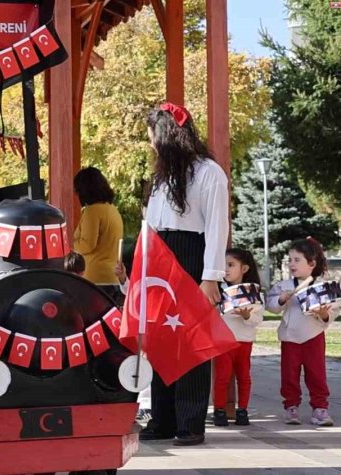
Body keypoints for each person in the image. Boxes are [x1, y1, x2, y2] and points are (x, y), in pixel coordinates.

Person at [139, 103, 229, 447]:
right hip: (160, 259)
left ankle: (190, 423)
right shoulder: (163, 177)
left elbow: (217, 226)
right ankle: (163, 418)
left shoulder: (209, 173)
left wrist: (211, 276)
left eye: (152, 136)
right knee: (162, 341)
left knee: (190, 343)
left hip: (192, 257)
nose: (150, 144)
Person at [266, 238, 338, 427]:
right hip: (290, 338)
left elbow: (332, 311)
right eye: (290, 260)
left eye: (297, 260)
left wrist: (323, 314)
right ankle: (291, 407)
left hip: (313, 338)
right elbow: (272, 307)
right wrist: (281, 300)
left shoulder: (324, 288)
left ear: (312, 264)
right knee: (289, 375)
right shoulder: (284, 286)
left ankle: (320, 408)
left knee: (317, 374)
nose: (291, 264)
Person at [212, 248, 264, 427]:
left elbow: (258, 318)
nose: (226, 269)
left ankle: (242, 410)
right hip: (223, 342)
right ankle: (219, 410)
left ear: (244, 268)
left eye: (231, 265)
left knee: (244, 377)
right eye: (223, 265)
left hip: (244, 341)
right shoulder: (218, 290)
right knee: (222, 377)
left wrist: (247, 315)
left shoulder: (255, 293)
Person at [72, 167, 123, 298]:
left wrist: (71, 244)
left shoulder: (92, 212)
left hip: (94, 277)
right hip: (113, 276)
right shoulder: (113, 210)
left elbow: (87, 245)